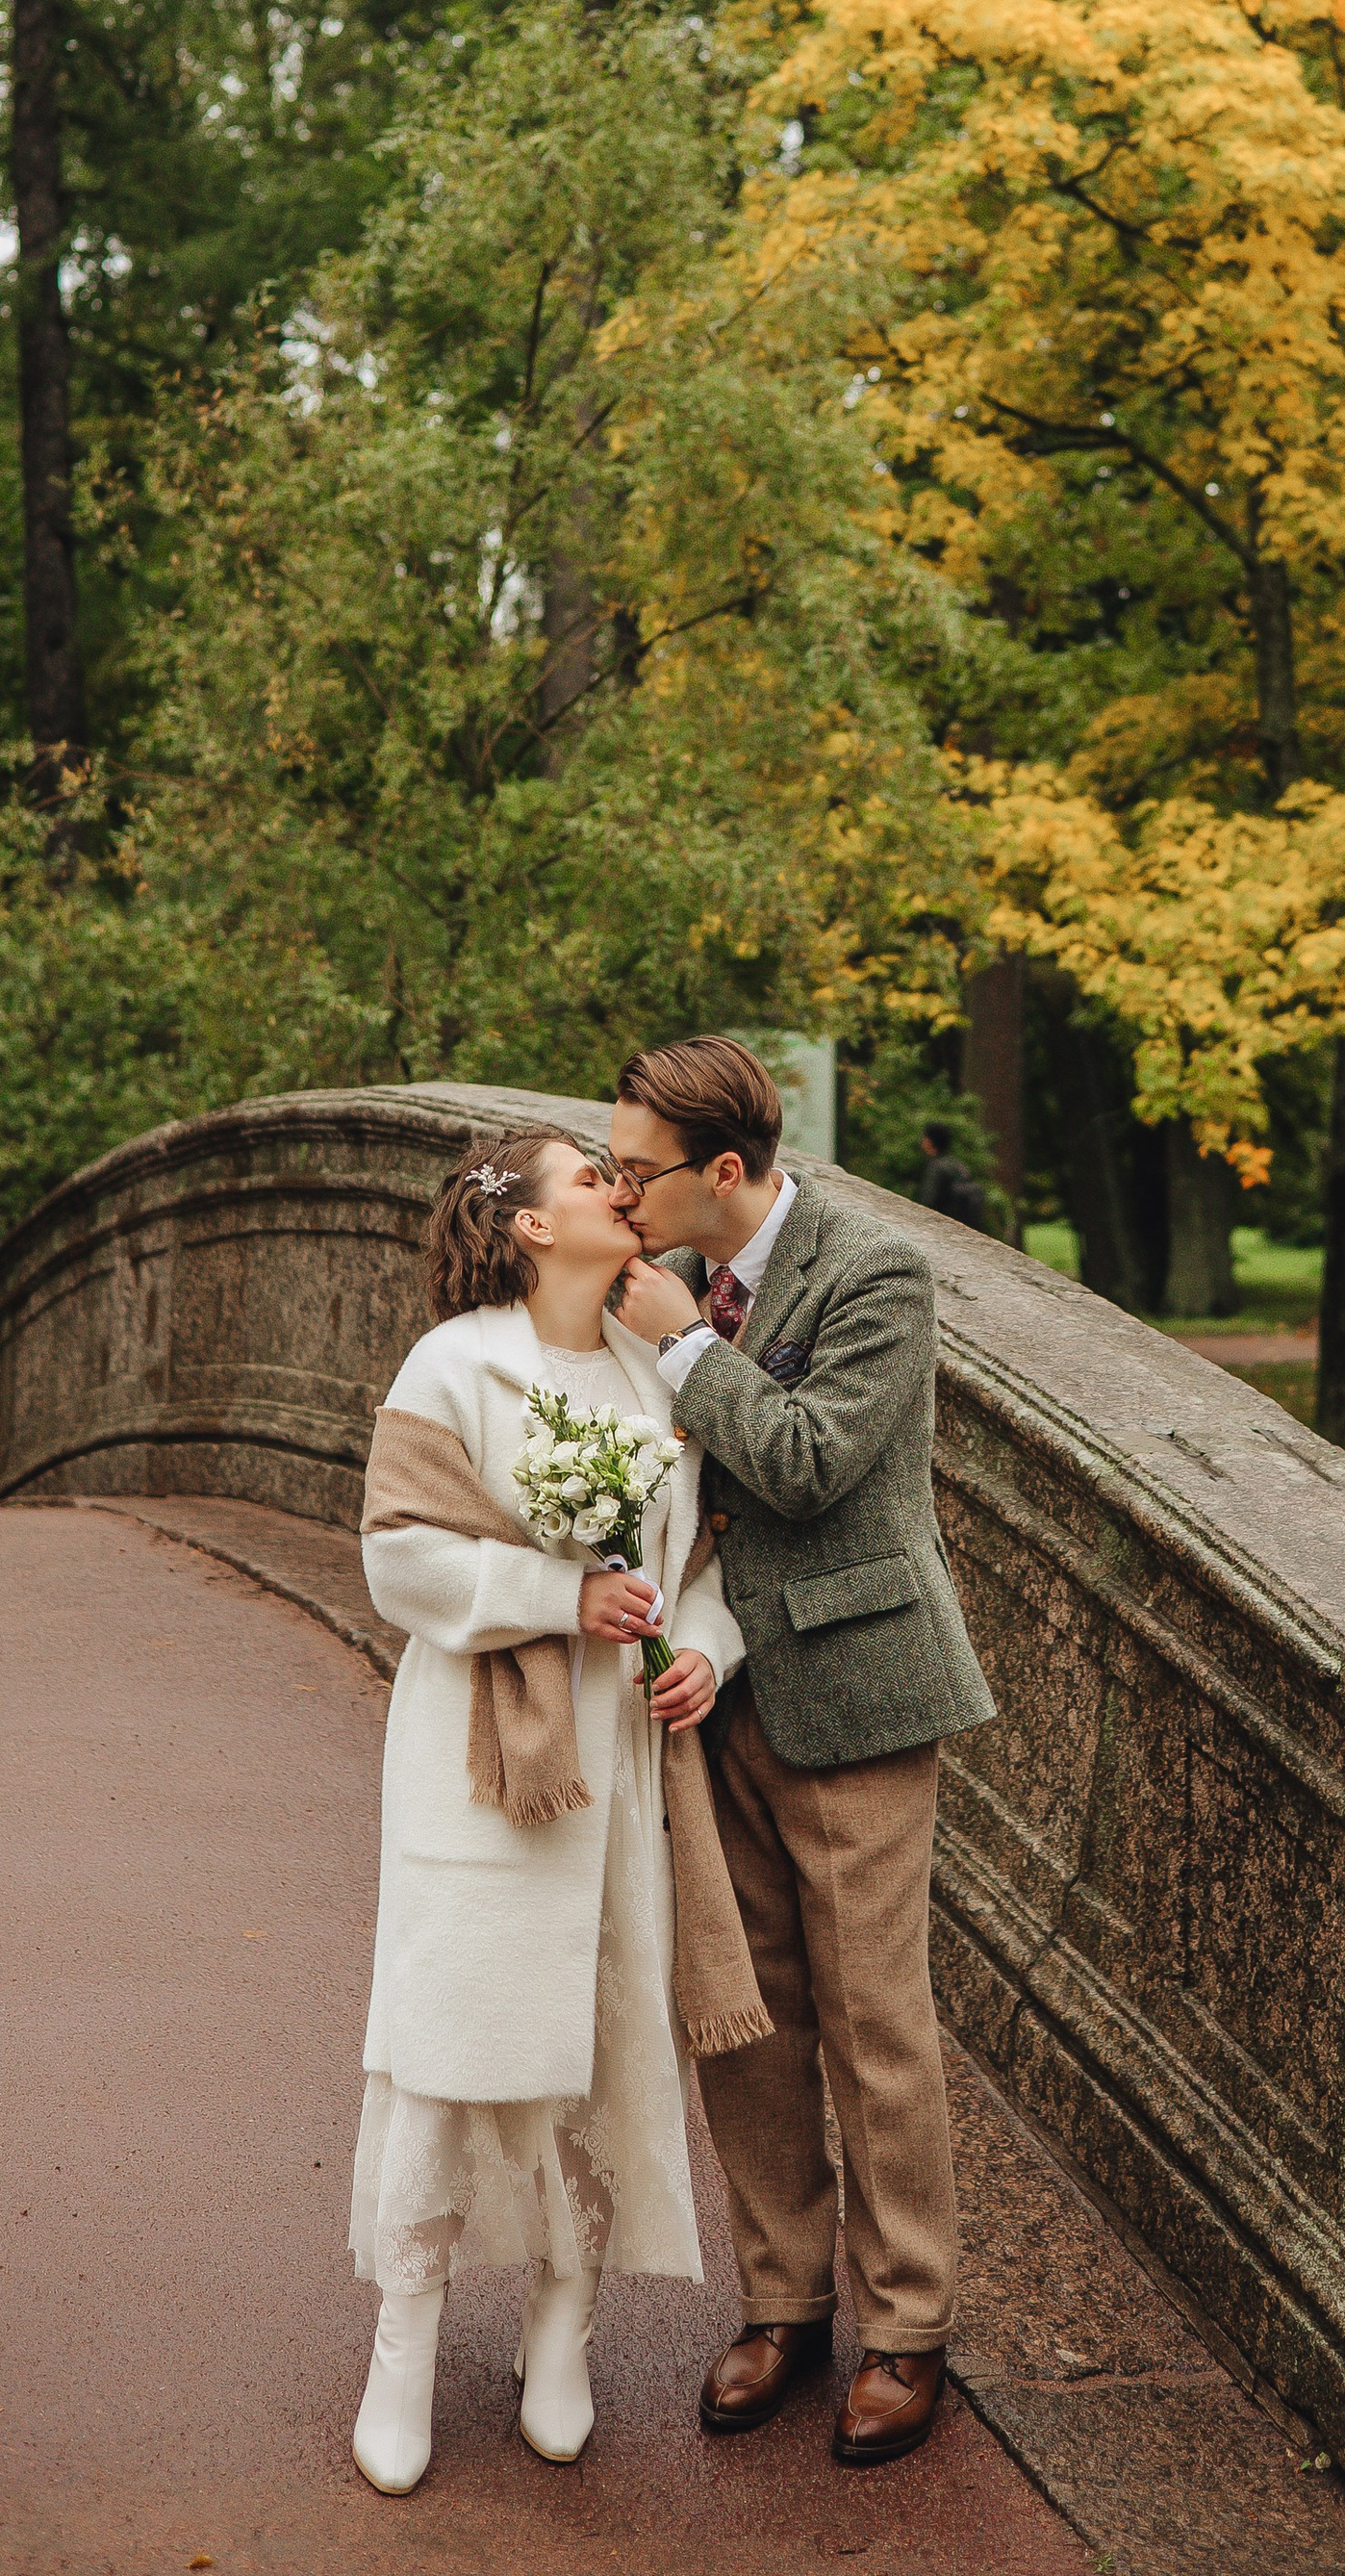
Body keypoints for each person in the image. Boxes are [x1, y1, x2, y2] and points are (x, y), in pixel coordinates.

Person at [346, 1126, 756, 2492]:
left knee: (598, 2026)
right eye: (591, 1178)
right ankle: (405, 2331)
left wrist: (704, 1645)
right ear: (526, 1224)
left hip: (623, 1754)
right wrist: (553, 1596)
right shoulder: (455, 1362)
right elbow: (397, 1554)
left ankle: (563, 2319)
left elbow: (698, 1554)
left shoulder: (655, 1367)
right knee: (455, 2029)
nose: (619, 1192)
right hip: (478, 1754)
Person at [609, 1035, 996, 2469]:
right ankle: (784, 2302)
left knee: (874, 2022)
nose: (615, 1191)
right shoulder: (642, 1276)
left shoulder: (875, 1271)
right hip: (704, 1694)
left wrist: (685, 1344)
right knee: (747, 2012)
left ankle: (909, 2331)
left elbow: (816, 1460)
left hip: (855, 1687)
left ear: (725, 1172)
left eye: (636, 1172)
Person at [917, 1125, 989, 1234]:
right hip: (963, 1227)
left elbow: (929, 1202)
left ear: (930, 1141)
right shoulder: (958, 1165)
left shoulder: (936, 1167)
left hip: (943, 1229)